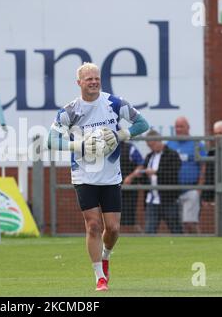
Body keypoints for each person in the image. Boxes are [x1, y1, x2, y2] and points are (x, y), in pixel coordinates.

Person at [47, 62, 149, 291]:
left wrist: (122, 134)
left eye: (96, 78)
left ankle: (106, 256)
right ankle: (99, 277)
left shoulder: (113, 103)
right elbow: (50, 141)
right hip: (83, 175)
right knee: (93, 225)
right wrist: (79, 145)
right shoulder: (70, 110)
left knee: (112, 228)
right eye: (88, 79)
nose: (93, 82)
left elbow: (143, 123)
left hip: (111, 175)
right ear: (79, 83)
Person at [167, 117, 206, 234]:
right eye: (177, 127)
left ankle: (198, 243)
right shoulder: (170, 143)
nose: (178, 129)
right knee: (179, 224)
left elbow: (203, 165)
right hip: (174, 190)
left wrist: (199, 187)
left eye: (181, 126)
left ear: (188, 128)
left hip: (191, 189)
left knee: (189, 222)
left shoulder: (197, 144)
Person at [140, 130, 182, 234]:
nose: (151, 147)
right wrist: (140, 174)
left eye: (152, 145)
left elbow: (173, 173)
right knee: (149, 231)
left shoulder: (172, 154)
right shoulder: (149, 156)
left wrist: (156, 172)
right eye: (149, 146)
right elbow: (145, 176)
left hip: (168, 199)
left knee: (175, 229)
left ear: (159, 141)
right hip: (152, 201)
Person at [119, 142, 144, 232]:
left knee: (129, 216)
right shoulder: (105, 148)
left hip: (129, 189)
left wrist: (131, 177)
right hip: (112, 189)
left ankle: (135, 233)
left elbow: (141, 165)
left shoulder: (130, 148)